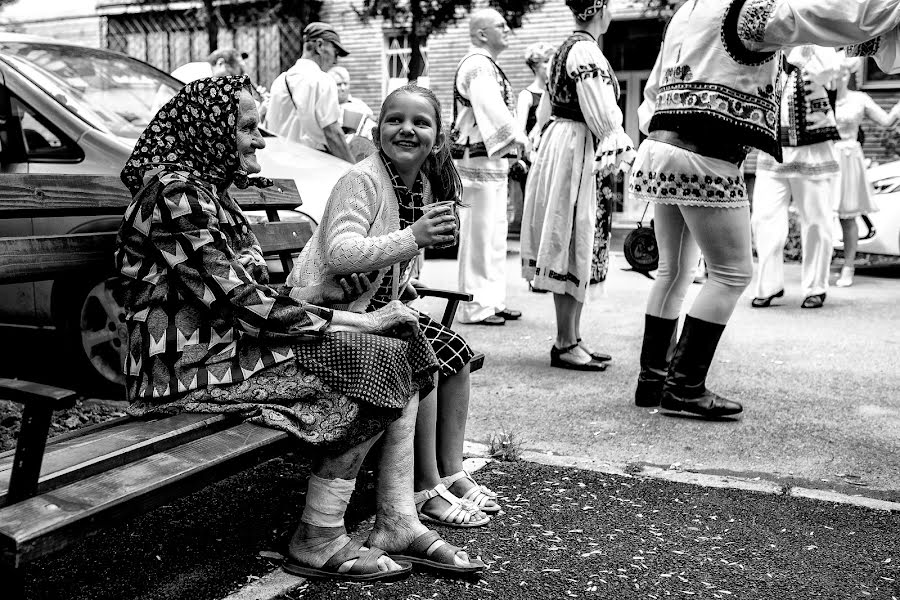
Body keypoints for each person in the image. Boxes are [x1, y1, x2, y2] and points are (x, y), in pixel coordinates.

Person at [115, 76, 485, 580]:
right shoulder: (175, 198)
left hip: (231, 349)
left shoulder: (204, 192)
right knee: (373, 356)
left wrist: (319, 298)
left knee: (396, 344)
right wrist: (361, 318)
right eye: (247, 127)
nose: (260, 139)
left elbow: (246, 300)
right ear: (209, 131)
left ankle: (398, 517)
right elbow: (248, 309)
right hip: (187, 365)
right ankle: (318, 536)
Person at [630, 0, 900, 419]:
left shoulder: (688, 9)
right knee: (732, 272)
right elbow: (835, 17)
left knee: (673, 270)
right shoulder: (749, 9)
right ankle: (683, 387)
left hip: (659, 146)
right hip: (707, 153)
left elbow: (651, 92)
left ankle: (652, 381)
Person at [290, 84, 501, 527]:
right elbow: (341, 254)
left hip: (372, 312)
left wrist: (401, 286)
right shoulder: (362, 180)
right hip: (322, 315)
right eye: (395, 120)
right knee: (421, 360)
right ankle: (425, 488)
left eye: (420, 122)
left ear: (439, 139)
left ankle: (451, 470)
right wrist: (414, 238)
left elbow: (388, 258)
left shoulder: (418, 185)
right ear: (376, 130)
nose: (407, 129)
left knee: (455, 354)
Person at [520, 0, 635, 371]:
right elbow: (599, 108)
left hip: (567, 144)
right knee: (576, 237)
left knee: (575, 240)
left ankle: (571, 337)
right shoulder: (585, 50)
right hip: (578, 149)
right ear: (600, 11)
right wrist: (614, 140)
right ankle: (565, 341)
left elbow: (544, 112)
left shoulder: (565, 50)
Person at [450, 8, 526, 326]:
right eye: (500, 25)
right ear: (482, 33)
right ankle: (475, 305)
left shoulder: (486, 63)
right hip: (476, 161)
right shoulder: (477, 65)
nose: (507, 29)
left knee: (494, 234)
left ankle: (491, 301)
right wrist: (519, 138)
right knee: (479, 235)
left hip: (488, 161)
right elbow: (491, 108)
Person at [751, 46, 842, 311]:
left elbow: (829, 70)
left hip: (813, 151)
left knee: (816, 221)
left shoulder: (819, 46)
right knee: (763, 218)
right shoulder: (771, 54)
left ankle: (816, 287)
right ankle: (769, 285)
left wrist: (805, 38)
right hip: (774, 151)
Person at [832, 56, 900, 287]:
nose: (839, 76)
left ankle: (848, 267)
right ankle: (820, 265)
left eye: (843, 72)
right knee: (819, 214)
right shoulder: (821, 98)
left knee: (847, 215)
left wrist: (898, 109)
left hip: (849, 159)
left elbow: (886, 120)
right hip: (824, 158)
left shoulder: (859, 99)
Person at [264, 22, 354, 163]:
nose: (336, 61)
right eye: (335, 53)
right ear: (319, 45)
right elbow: (332, 133)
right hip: (310, 167)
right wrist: (355, 170)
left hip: (279, 167)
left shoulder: (280, 80)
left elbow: (269, 127)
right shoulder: (322, 80)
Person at [329, 66, 376, 139]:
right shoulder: (325, 107)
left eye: (345, 84)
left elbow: (373, 133)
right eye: (338, 84)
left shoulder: (361, 107)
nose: (343, 88)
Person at [171, 48, 246, 83]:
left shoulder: (203, 70)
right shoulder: (202, 75)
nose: (231, 81)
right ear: (220, 63)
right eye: (231, 74)